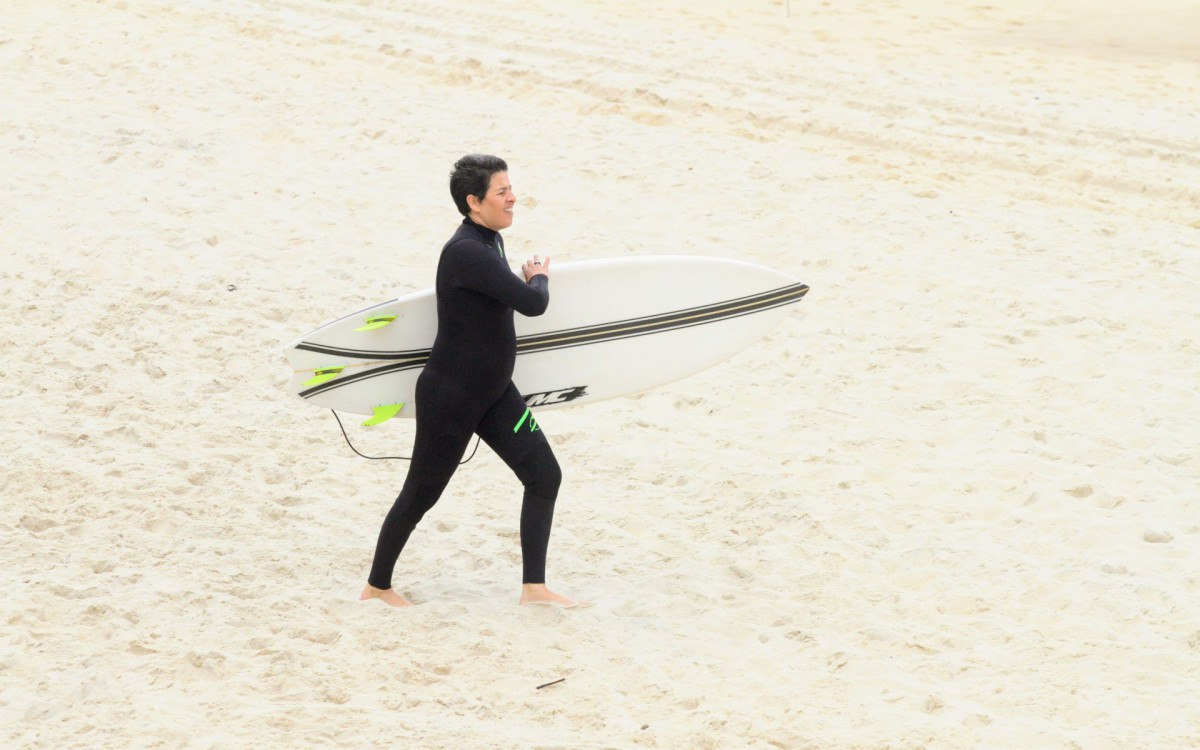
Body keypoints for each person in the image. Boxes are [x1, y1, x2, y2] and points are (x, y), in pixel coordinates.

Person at [360, 154, 578, 608]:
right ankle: (377, 587)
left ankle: (534, 589)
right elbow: (532, 304)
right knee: (421, 493)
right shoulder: (466, 252)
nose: (513, 198)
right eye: (502, 192)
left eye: (510, 188)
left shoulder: (491, 240)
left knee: (544, 475)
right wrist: (539, 277)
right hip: (452, 398)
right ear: (474, 202)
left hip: (494, 393)